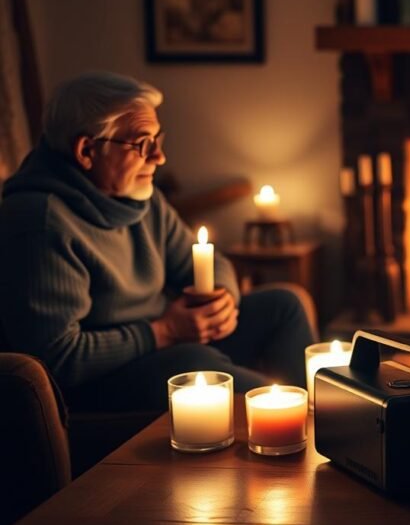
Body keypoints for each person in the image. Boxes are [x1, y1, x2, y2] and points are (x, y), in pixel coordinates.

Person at [0, 71, 314, 411]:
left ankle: (313, 420)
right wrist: (164, 332)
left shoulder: (142, 197)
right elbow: (57, 358)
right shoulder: (40, 223)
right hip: (103, 380)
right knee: (194, 362)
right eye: (142, 144)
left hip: (170, 342)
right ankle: (304, 418)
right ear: (86, 150)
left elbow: (207, 262)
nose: (159, 157)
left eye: (157, 141)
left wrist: (222, 298)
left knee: (284, 305)